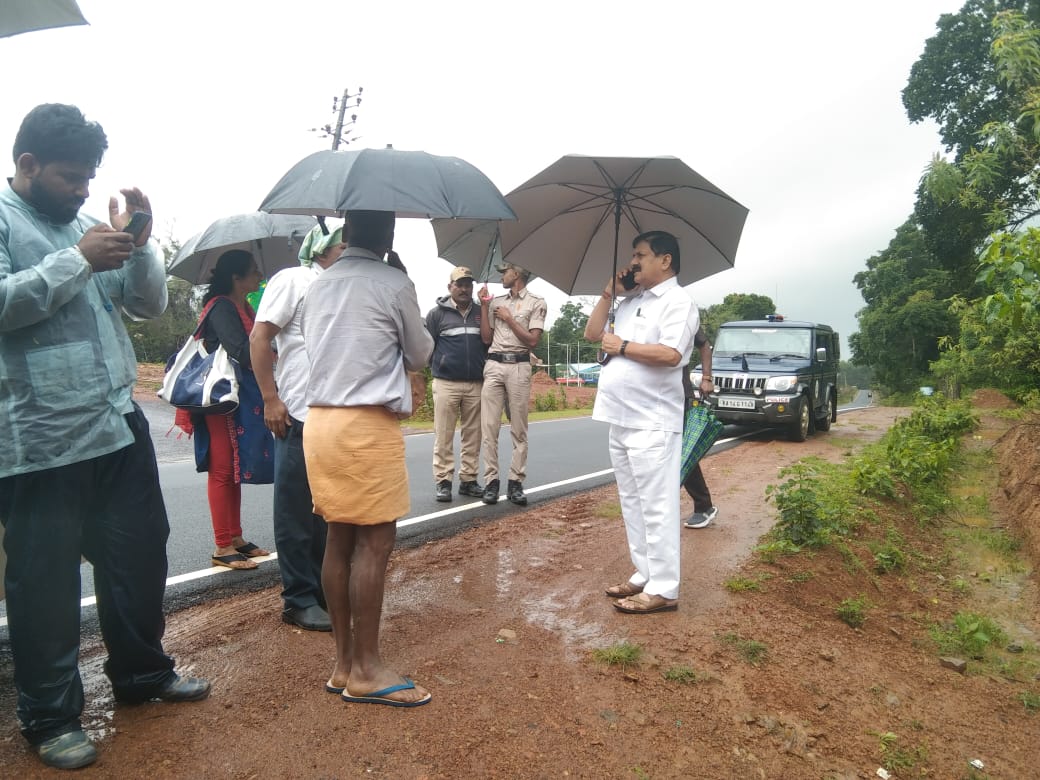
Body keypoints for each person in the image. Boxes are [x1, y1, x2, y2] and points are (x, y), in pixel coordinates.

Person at [0, 103, 210, 771]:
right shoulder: (10, 222)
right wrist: (76, 262)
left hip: (115, 425)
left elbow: (146, 303)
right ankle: (50, 717)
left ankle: (143, 676)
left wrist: (141, 244)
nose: (84, 190)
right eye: (69, 176)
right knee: (44, 585)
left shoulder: (90, 227)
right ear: (25, 165)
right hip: (38, 440)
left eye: (90, 176)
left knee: (140, 558)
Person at [302, 210, 434, 707]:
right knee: (375, 543)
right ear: (389, 234)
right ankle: (369, 669)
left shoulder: (320, 283)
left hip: (321, 422)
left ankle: (342, 665)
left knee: (338, 538)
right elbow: (419, 354)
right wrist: (406, 286)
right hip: (365, 424)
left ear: (347, 231)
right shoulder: (393, 282)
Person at [584, 230, 699, 615]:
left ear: (664, 261)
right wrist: (608, 294)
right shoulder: (631, 301)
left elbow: (671, 354)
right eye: (634, 256)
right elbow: (592, 334)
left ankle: (665, 588)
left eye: (641, 255)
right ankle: (645, 572)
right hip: (622, 416)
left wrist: (624, 347)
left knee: (657, 504)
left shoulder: (679, 302)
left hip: (653, 420)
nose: (633, 262)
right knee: (632, 501)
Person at [249, 225, 346, 631]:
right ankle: (298, 598)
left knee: (327, 512)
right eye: (344, 244)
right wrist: (271, 399)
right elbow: (259, 337)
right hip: (297, 415)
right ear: (323, 249)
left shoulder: (344, 286)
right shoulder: (294, 279)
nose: (350, 250)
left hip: (334, 418)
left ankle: (323, 590)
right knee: (295, 513)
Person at [191, 250, 274, 570]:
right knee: (223, 469)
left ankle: (235, 538)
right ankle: (222, 544)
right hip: (219, 400)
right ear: (236, 278)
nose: (259, 277)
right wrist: (265, 345)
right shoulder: (222, 308)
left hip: (235, 396)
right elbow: (241, 350)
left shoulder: (243, 306)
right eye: (254, 272)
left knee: (234, 469)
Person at [477, 262, 546, 506]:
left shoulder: (537, 302)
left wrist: (510, 319)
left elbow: (532, 341)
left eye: (504, 272)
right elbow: (486, 337)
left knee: (519, 427)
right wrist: (485, 307)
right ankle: (491, 481)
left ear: (517, 273)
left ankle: (515, 481)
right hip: (494, 364)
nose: (502, 276)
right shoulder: (496, 302)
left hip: (519, 364)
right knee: (489, 427)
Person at [425, 265, 487, 502]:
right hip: (446, 383)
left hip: (476, 383)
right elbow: (427, 347)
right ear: (449, 287)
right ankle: (443, 481)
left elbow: (487, 343)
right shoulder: (436, 314)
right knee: (444, 434)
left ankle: (469, 480)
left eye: (467, 284)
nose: (463, 289)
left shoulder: (482, 312)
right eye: (459, 284)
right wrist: (440, 365)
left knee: (473, 435)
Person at [682, 327, 719, 529]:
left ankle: (703, 506)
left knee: (683, 451)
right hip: (643, 398)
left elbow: (704, 343)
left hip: (677, 394)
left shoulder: (681, 309)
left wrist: (707, 378)